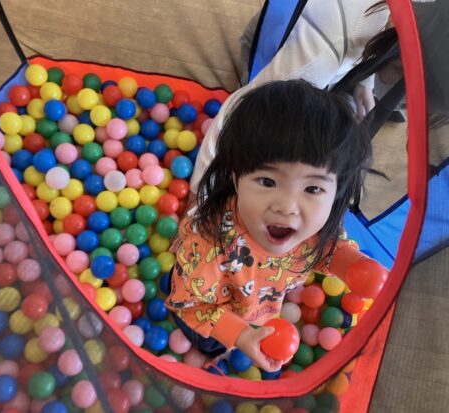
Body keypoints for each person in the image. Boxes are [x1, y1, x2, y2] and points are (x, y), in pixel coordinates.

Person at [165, 80, 388, 372]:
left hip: (258, 302)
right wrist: (241, 335)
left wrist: (354, 268)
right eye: (267, 182)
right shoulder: (209, 244)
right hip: (210, 304)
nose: (287, 207)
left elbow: (329, 250)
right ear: (235, 177)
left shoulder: (316, 229)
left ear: (336, 193)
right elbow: (191, 305)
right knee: (209, 343)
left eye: (313, 189)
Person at [191, 0, 390, 195]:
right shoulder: (314, 62)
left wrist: (365, 82)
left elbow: (379, 33)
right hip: (279, 49)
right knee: (266, 130)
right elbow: (237, 109)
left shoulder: (396, 15)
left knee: (344, 116)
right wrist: (199, 191)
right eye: (398, 70)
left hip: (333, 58)